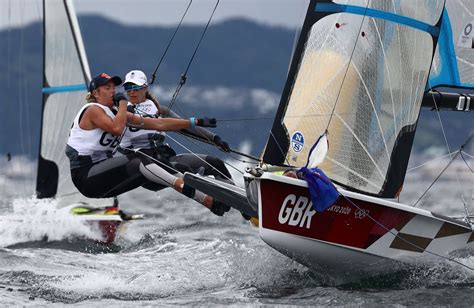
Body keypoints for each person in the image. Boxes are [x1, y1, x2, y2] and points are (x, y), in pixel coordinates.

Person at [65, 73, 229, 216]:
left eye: (114, 87)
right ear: (95, 93)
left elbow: (159, 124)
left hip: (106, 178)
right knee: (139, 158)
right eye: (107, 87)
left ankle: (224, 200)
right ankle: (198, 196)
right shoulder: (92, 110)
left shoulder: (118, 113)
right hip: (86, 175)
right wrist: (123, 104)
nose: (113, 90)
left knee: (153, 163)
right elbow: (116, 128)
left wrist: (194, 121)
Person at [119, 70, 233, 190]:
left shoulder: (159, 110)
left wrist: (215, 138)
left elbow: (184, 126)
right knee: (184, 169)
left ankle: (238, 201)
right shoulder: (120, 112)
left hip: (165, 158)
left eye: (135, 88)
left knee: (216, 163)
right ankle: (208, 197)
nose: (131, 92)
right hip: (142, 167)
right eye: (128, 88)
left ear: (145, 88)